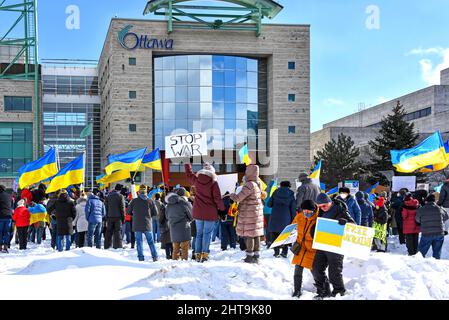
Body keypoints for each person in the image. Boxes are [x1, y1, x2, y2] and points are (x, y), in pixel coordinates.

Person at [312, 193, 355, 299]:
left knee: (334, 271)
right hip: (322, 244)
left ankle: (339, 291)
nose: (322, 208)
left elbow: (353, 225)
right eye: (319, 206)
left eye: (324, 206)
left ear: (329, 203)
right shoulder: (321, 211)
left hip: (336, 245)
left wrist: (345, 223)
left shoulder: (340, 210)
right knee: (316, 268)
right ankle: (323, 291)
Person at [185, 163, 225, 263]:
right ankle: (205, 254)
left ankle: (197, 254)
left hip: (198, 212)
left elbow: (189, 174)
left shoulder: (197, 180)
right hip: (210, 213)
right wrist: (222, 210)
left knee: (199, 234)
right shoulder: (213, 183)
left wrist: (187, 164)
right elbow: (217, 199)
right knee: (207, 234)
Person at [230, 164, 266, 264]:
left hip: (249, 212)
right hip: (256, 212)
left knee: (250, 234)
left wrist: (231, 195)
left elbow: (239, 198)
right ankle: (256, 255)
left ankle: (249, 256)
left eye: (247, 171)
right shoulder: (258, 183)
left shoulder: (249, 184)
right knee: (256, 234)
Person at [291, 200, 319, 298]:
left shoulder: (319, 219)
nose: (306, 213)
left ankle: (323, 289)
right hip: (301, 247)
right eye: (304, 211)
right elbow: (292, 227)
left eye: (309, 212)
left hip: (313, 249)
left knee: (316, 271)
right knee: (298, 268)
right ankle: (297, 290)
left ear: (314, 210)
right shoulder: (299, 216)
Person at [127, 185, 158, 262]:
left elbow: (128, 212)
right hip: (147, 224)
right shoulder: (150, 201)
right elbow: (156, 213)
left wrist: (134, 214)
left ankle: (141, 258)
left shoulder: (134, 201)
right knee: (151, 242)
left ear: (139, 192)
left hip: (137, 224)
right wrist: (149, 216)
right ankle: (155, 257)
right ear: (146, 192)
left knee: (139, 242)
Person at [267, 181, 296, 258]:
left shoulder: (275, 192)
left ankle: (276, 252)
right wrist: (294, 220)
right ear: (289, 186)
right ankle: (284, 252)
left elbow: (269, 204)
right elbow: (293, 208)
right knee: (285, 235)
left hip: (275, 216)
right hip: (286, 217)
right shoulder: (291, 193)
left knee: (275, 234)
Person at [416, 194, 449, 260]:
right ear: (435, 201)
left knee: (421, 253)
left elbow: (417, 219)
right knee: (437, 252)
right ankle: (436, 265)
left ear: (426, 201)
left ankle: (418, 265)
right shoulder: (440, 208)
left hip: (426, 233)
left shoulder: (422, 209)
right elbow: (446, 217)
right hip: (439, 233)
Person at [165, 188, 193, 260]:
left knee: (175, 248)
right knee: (184, 248)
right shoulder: (185, 203)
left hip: (173, 227)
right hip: (184, 227)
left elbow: (167, 216)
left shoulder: (169, 204)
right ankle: (184, 263)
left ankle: (174, 263)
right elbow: (191, 216)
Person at [104, 184, 126, 249]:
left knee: (108, 232)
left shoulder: (108, 196)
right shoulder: (120, 196)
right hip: (118, 217)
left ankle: (107, 246)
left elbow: (106, 207)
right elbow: (122, 207)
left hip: (110, 216)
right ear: (120, 190)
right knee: (118, 232)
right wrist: (123, 217)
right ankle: (118, 246)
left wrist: (107, 216)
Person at [158, 193, 172, 259]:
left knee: (167, 242)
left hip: (166, 225)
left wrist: (160, 222)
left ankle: (168, 255)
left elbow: (161, 216)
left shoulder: (163, 206)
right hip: (172, 224)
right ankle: (172, 254)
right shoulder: (173, 205)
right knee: (172, 241)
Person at [0, 185, 12, 253]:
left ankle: (0, 246)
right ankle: (5, 246)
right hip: (8, 216)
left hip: (1, 216)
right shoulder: (9, 196)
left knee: (0, 232)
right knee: (6, 232)